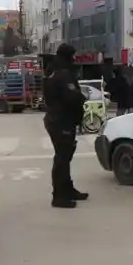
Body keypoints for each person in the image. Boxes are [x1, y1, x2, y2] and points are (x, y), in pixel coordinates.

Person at [43, 44, 89, 209]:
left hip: (56, 118)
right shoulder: (63, 73)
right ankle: (59, 196)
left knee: (64, 157)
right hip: (62, 120)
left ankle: (67, 189)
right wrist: (82, 98)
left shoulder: (52, 70)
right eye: (73, 55)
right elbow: (72, 97)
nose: (75, 58)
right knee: (62, 158)